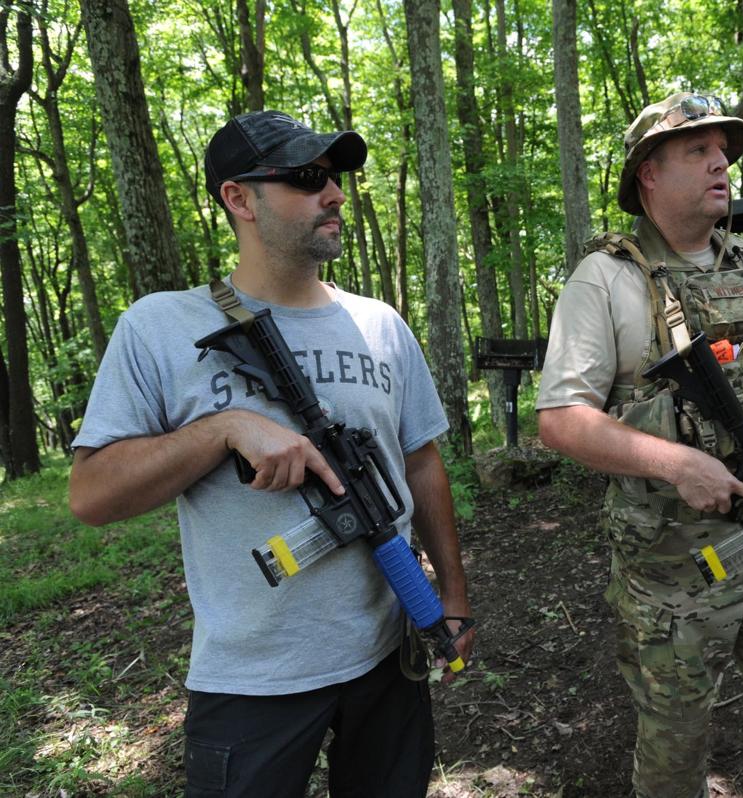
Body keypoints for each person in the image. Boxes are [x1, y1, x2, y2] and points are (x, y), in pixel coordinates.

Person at [68, 111, 475, 798]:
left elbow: (421, 463)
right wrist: (222, 428)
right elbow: (90, 496)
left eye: (337, 179)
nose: (336, 195)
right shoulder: (160, 326)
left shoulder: (381, 325)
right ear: (238, 198)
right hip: (251, 681)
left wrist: (453, 598)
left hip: (386, 659)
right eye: (308, 179)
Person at [536, 92, 743, 798]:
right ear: (648, 174)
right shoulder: (607, 279)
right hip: (673, 567)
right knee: (675, 736)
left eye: (724, 151)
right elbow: (561, 418)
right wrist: (674, 461)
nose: (721, 163)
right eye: (698, 151)